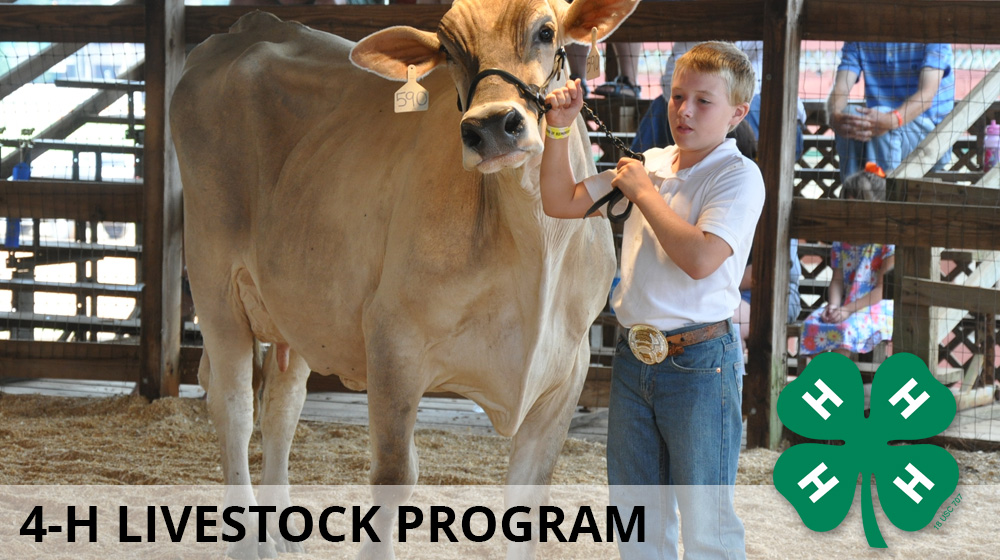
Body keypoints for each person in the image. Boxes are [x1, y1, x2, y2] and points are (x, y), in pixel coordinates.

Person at [540, 41, 764, 558]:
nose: (684, 111)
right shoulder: (653, 162)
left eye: (704, 101)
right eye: (677, 95)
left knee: (707, 521)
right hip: (634, 357)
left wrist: (645, 194)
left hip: (700, 364)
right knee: (635, 515)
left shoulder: (738, 176)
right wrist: (558, 129)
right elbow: (560, 201)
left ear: (737, 112)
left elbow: (702, 259)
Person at [799, 164, 894, 357]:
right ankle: (820, 383)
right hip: (845, 305)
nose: (853, 215)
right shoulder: (842, 241)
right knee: (812, 326)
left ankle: (838, 386)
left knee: (845, 331)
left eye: (858, 208)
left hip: (876, 307)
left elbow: (881, 290)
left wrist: (847, 310)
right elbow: (837, 280)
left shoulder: (887, 243)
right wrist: (833, 306)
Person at [827, 42, 954, 180]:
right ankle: (853, 193)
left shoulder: (934, 34)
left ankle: (883, 195)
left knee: (883, 123)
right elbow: (841, 88)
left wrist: (891, 120)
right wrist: (834, 115)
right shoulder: (860, 34)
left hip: (934, 140)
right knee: (850, 117)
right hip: (878, 132)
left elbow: (926, 95)